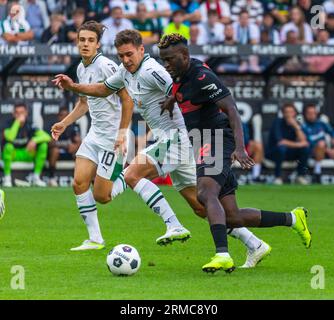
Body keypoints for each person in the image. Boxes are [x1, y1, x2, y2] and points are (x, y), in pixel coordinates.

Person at [53, 30, 274, 269]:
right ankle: (254, 243)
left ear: (141, 50)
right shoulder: (124, 72)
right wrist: (74, 86)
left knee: (131, 174)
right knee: (202, 209)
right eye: (121, 55)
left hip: (179, 138)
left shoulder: (152, 71)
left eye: (129, 54)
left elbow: (181, 85)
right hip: (176, 142)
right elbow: (104, 89)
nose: (126, 60)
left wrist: (178, 102)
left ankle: (173, 225)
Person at [158, 33, 311, 273]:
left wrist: (240, 148)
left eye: (169, 59)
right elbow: (181, 87)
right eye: (162, 60)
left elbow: (232, 110)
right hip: (203, 142)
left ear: (185, 56)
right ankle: (293, 219)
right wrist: (171, 99)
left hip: (217, 137)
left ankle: (222, 255)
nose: (165, 64)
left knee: (205, 193)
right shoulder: (180, 72)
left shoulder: (202, 76)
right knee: (233, 217)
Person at [51, 21, 134, 251]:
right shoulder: (81, 68)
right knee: (78, 183)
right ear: (77, 42)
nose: (85, 44)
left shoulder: (107, 66)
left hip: (112, 137)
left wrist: (122, 133)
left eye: (90, 40)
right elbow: (83, 102)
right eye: (82, 40)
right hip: (95, 135)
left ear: (98, 45)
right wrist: (64, 123)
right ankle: (95, 239)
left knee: (102, 196)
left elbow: (128, 100)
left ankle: (132, 174)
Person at [1, 103, 51, 188]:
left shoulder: (30, 124)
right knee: (8, 146)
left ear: (26, 113)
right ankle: (7, 178)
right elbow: (10, 138)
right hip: (12, 154)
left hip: (26, 153)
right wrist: (17, 122)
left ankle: (36, 177)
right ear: (13, 114)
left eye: (22, 112)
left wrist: (34, 140)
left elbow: (47, 137)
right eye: (17, 112)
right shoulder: (8, 123)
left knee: (43, 146)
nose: (20, 115)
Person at [266, 103, 310, 185]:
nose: (289, 114)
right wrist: (300, 144)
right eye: (286, 112)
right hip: (274, 153)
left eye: (291, 112)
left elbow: (304, 140)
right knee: (281, 148)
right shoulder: (277, 122)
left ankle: (300, 176)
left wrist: (295, 126)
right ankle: (277, 177)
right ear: (283, 113)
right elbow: (281, 142)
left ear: (295, 113)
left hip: (290, 152)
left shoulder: (297, 123)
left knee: (305, 149)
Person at [302, 104, 334, 183]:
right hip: (312, 152)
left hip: (326, 151)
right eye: (309, 113)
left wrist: (333, 137)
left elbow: (332, 131)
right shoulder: (303, 126)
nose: (312, 115)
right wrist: (326, 149)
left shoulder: (321, 123)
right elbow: (308, 142)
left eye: (313, 113)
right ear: (305, 114)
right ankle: (317, 172)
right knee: (321, 144)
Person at [48, 107, 82, 187]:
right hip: (56, 151)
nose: (64, 118)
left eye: (66, 115)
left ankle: (77, 178)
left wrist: (75, 146)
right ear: (58, 116)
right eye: (62, 115)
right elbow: (49, 142)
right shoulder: (53, 126)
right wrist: (66, 145)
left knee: (79, 152)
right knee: (55, 151)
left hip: (69, 151)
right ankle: (51, 177)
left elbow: (78, 141)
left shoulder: (73, 126)